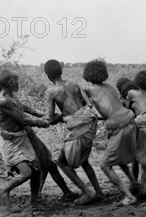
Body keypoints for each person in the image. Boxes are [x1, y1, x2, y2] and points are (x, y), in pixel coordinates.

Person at [44, 59, 104, 205]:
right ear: (61, 71)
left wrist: (63, 118)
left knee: (61, 162)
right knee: (84, 162)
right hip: (90, 124)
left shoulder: (51, 91)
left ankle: (88, 192)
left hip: (77, 128)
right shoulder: (74, 83)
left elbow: (51, 117)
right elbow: (89, 104)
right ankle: (99, 192)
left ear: (47, 75)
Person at [82, 59, 139, 206]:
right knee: (119, 159)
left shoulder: (89, 89)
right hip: (129, 121)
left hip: (118, 125)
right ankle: (134, 183)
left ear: (87, 74)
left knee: (105, 165)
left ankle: (129, 196)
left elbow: (84, 101)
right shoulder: (110, 87)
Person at [0, 69, 52, 211]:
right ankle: (5, 191)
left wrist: (45, 115)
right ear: (9, 82)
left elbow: (26, 109)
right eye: (16, 80)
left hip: (21, 137)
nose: (18, 83)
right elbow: (22, 118)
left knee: (37, 169)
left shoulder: (12, 96)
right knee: (26, 172)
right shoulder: (2, 101)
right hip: (11, 141)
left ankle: (34, 202)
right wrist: (41, 122)